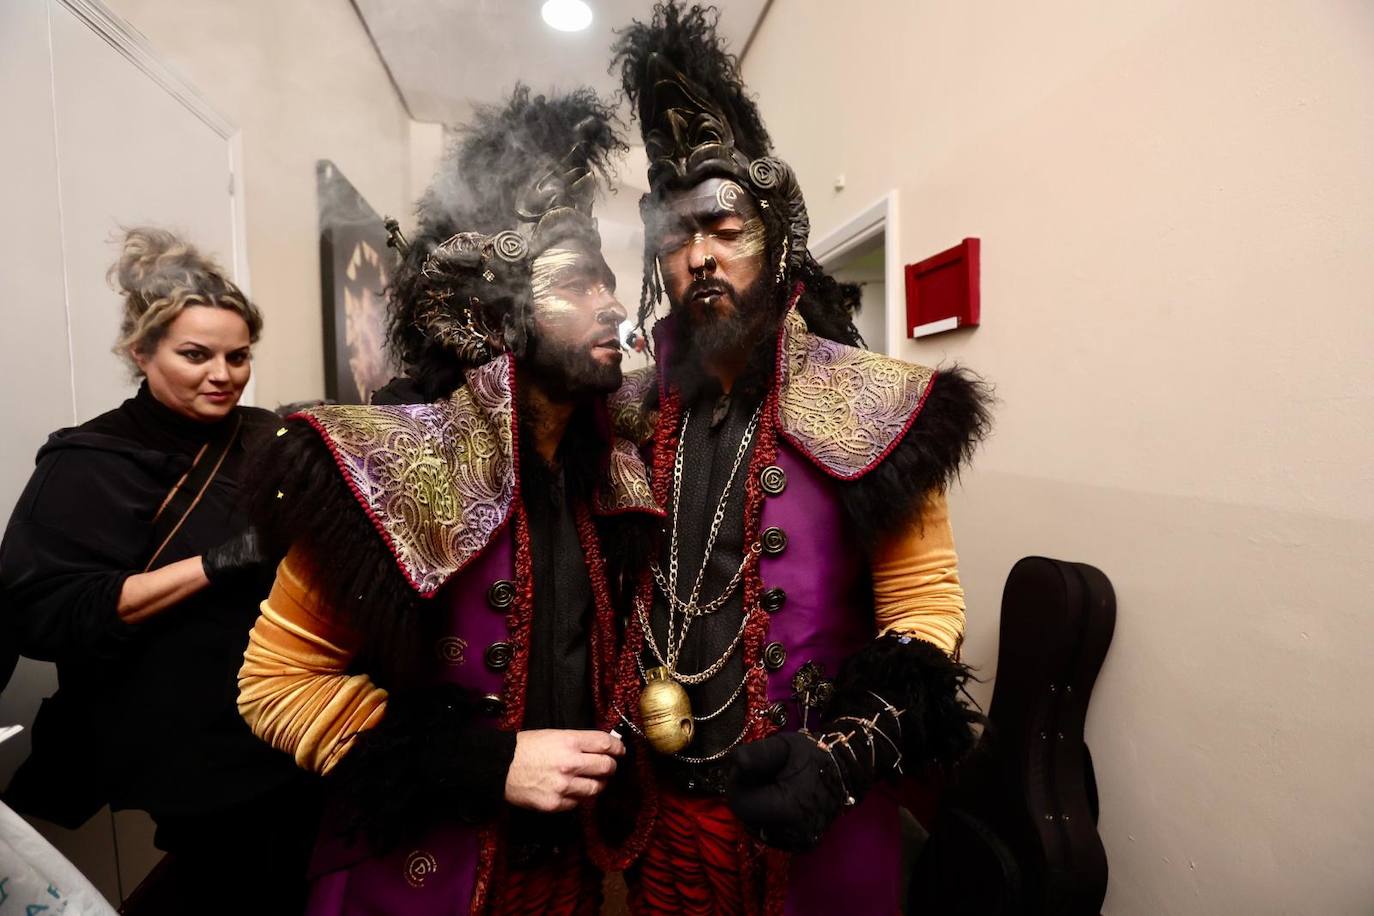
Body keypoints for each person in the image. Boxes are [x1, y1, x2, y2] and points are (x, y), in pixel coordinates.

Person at [597, 4, 995, 913]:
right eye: (675, 237)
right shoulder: (616, 409)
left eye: (726, 230)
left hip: (813, 813)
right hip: (660, 815)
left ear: (776, 244)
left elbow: (926, 605)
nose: (700, 256)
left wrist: (848, 755)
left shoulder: (869, 400)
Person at [236, 86, 660, 914]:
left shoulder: (610, 468)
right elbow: (276, 684)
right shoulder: (387, 463)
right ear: (494, 315)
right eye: (576, 285)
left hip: (564, 872)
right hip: (416, 875)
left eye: (608, 282)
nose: (612, 303)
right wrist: (483, 763)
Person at [0, 227, 316, 911]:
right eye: (196, 355)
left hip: (285, 714)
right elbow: (47, 613)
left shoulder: (265, 434)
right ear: (140, 352)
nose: (222, 375)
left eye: (238, 357)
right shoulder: (90, 461)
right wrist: (220, 563)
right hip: (181, 735)